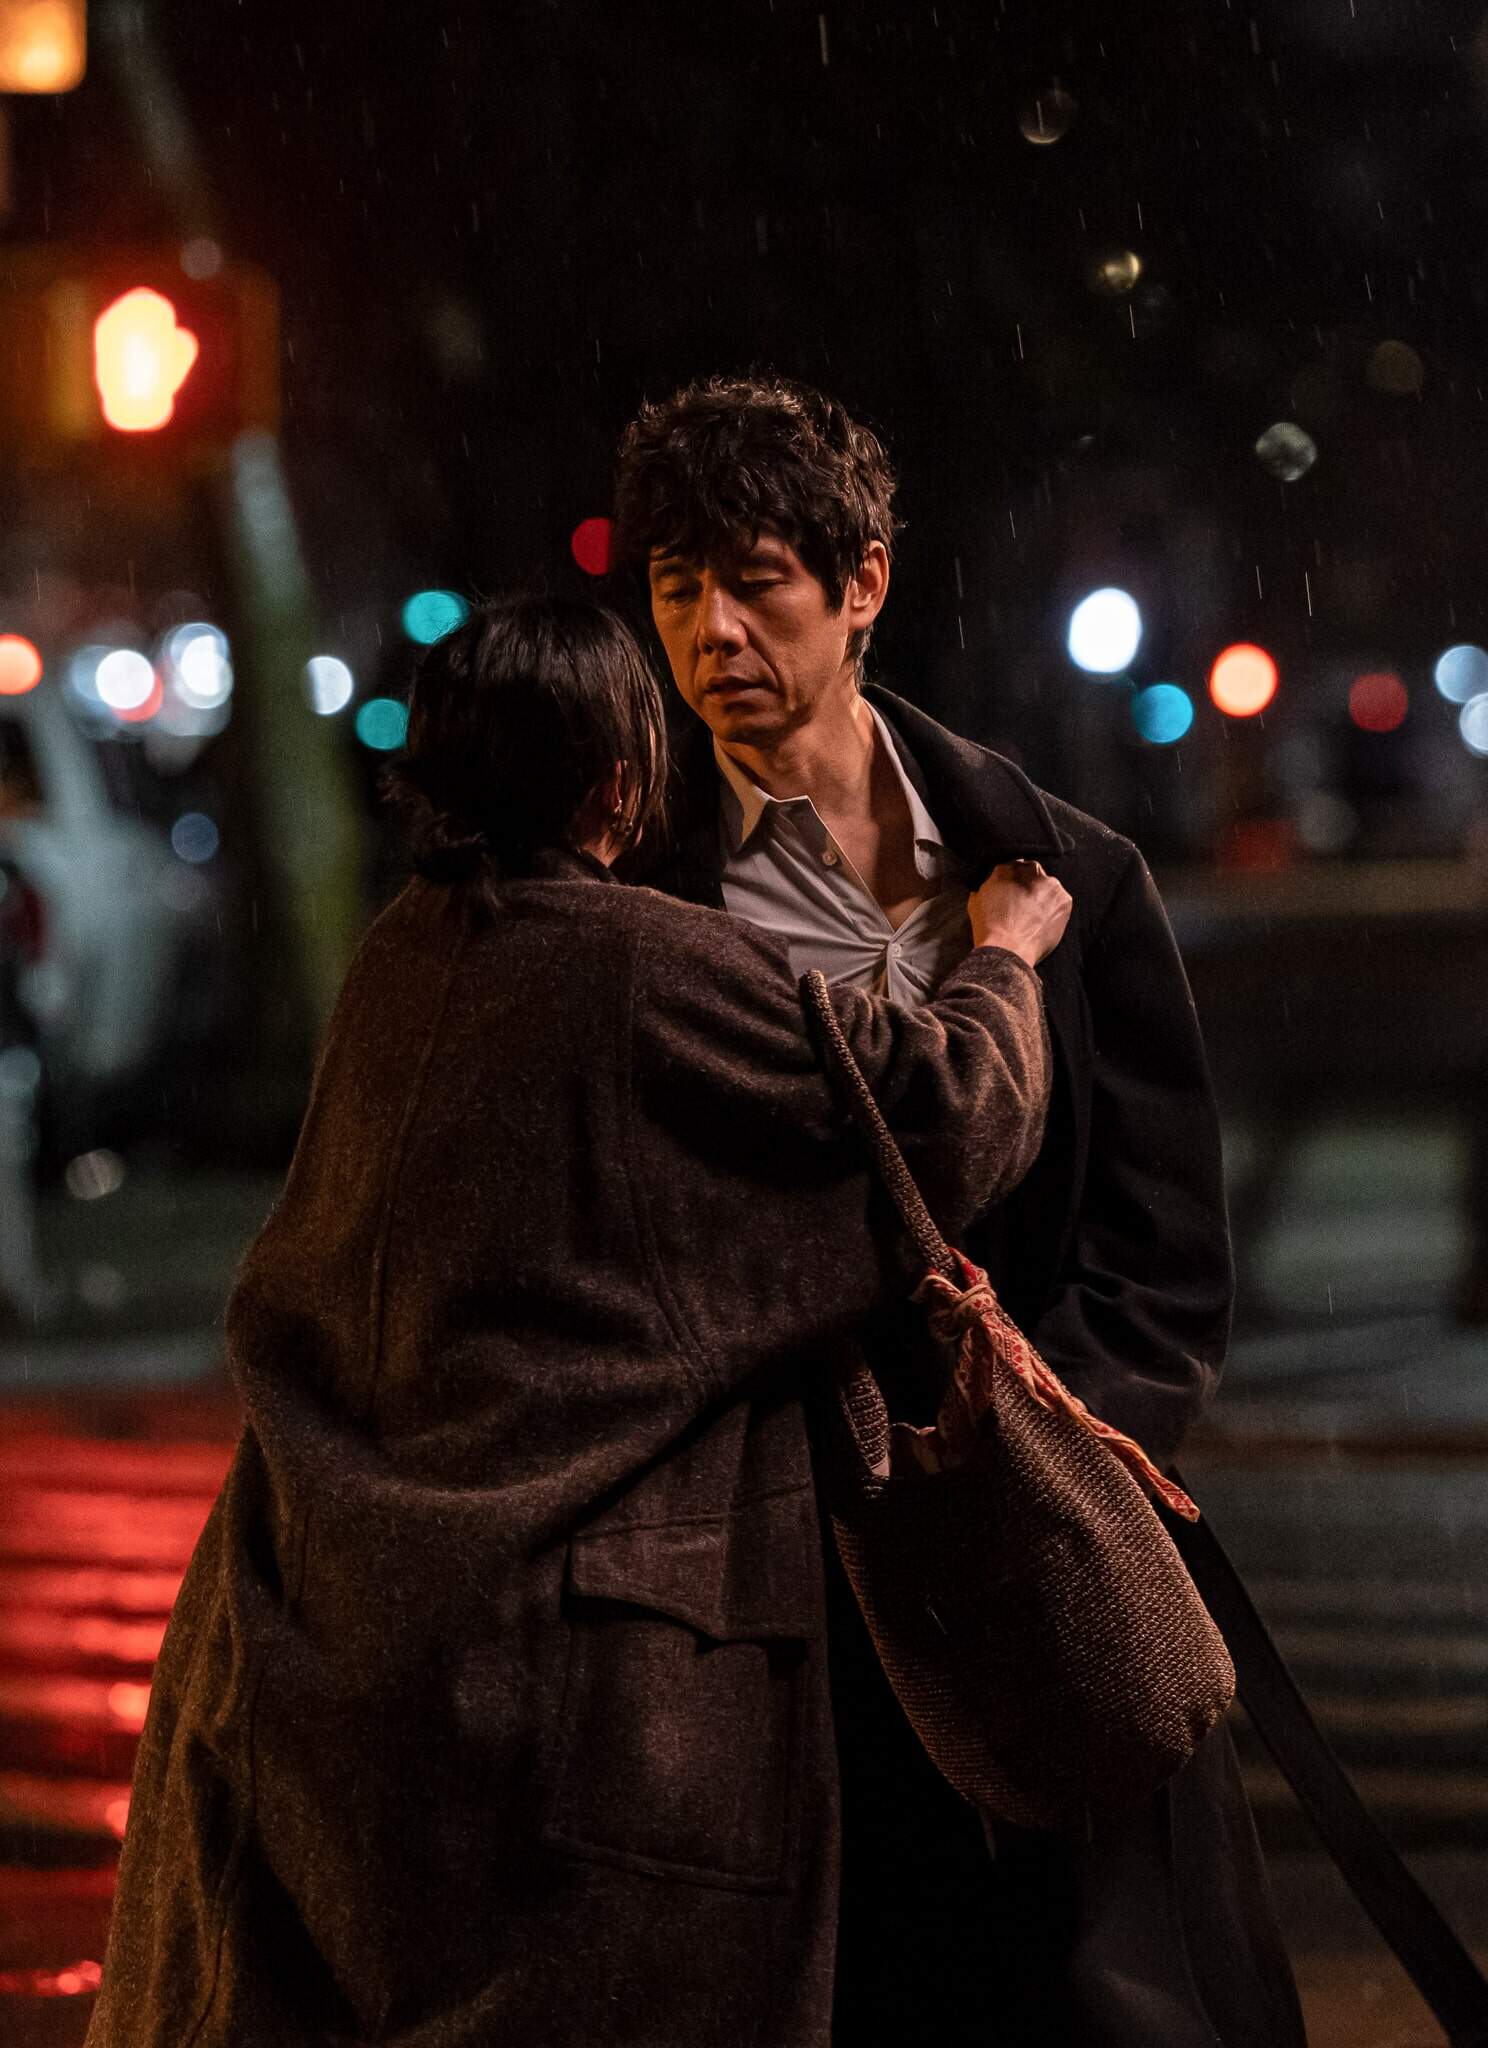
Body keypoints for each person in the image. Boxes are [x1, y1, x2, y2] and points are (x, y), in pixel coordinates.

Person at [85, 594, 1070, 2048]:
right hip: (574, 1683)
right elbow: (941, 1121)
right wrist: (1006, 957)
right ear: (617, 780)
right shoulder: (648, 965)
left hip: (321, 1634)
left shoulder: (396, 965)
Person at [612, 374, 1307, 2048]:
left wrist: (1049, 1456)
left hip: (1032, 1547)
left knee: (1087, 1993)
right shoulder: (636, 893)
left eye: (754, 579)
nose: (711, 629)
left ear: (860, 585)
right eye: (674, 586)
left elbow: (1163, 1255)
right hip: (767, 1566)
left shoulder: (1067, 871)